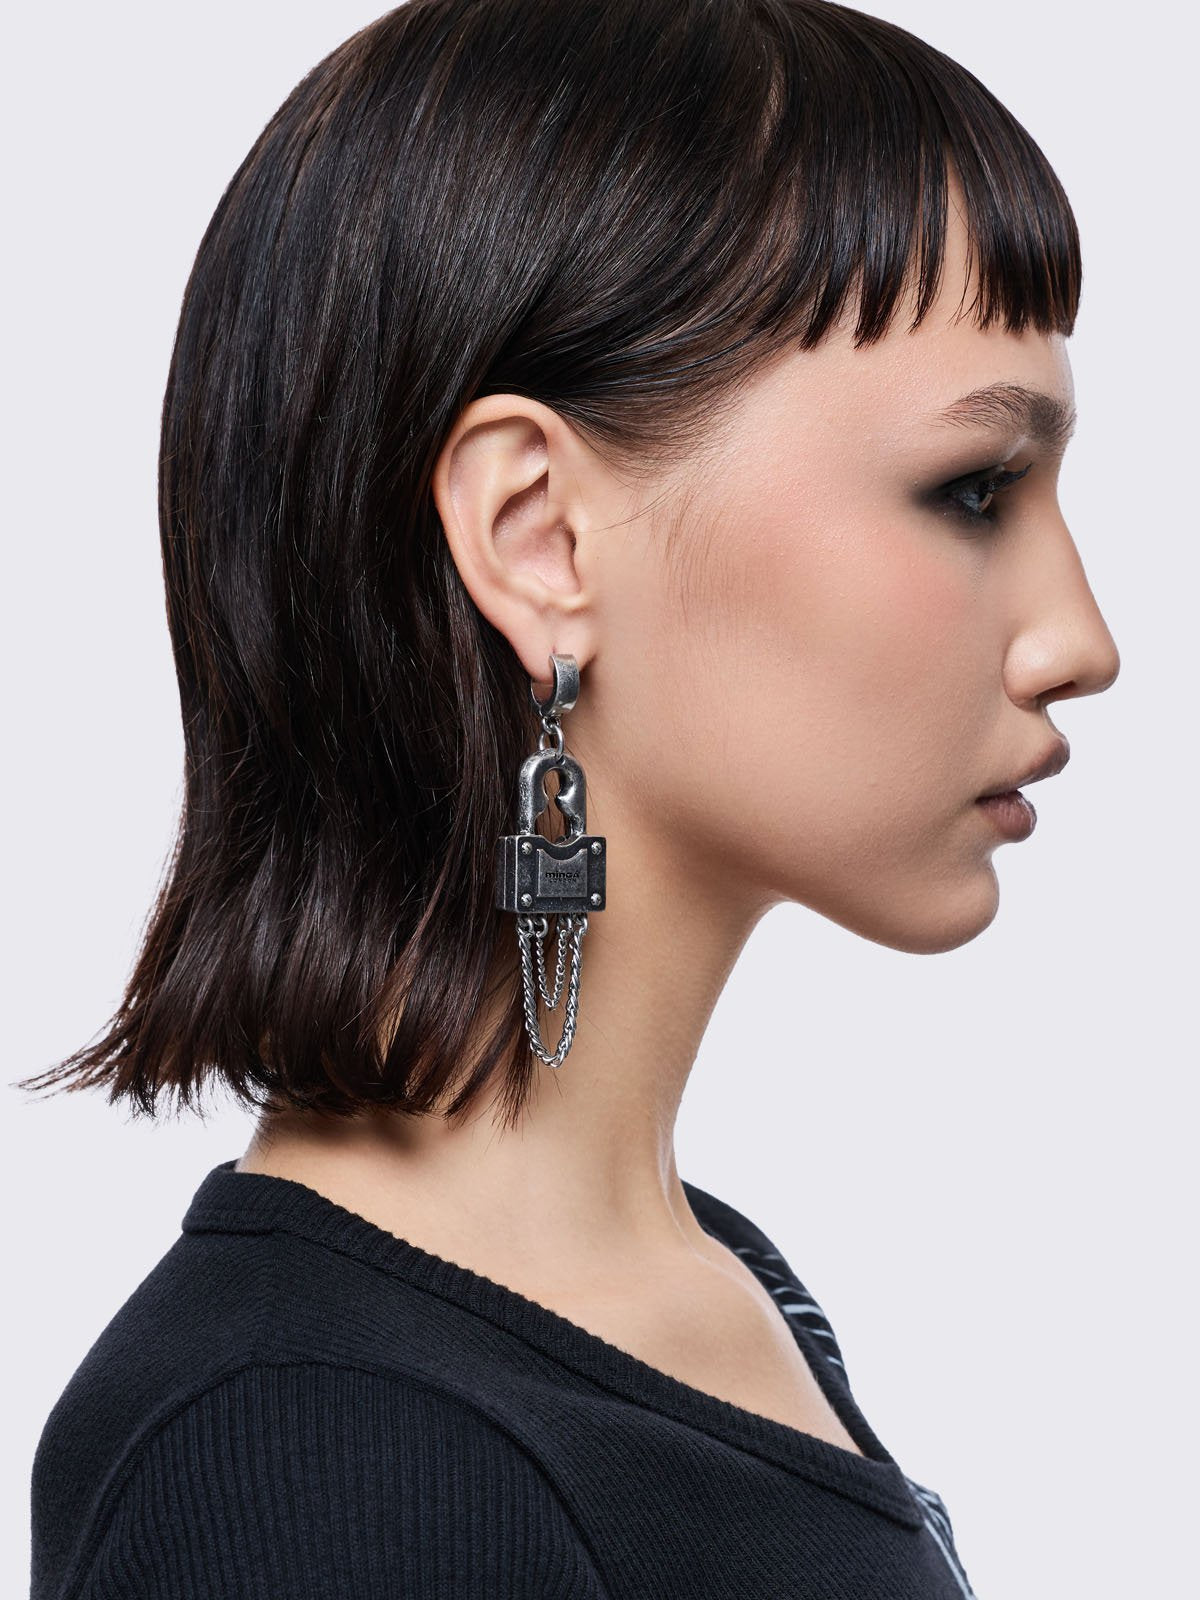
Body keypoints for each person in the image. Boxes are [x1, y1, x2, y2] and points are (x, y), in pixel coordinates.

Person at [23, 0, 1120, 1595]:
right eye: (972, 489)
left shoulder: (707, 1291)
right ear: (538, 535)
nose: (1080, 639)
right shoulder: (327, 1454)